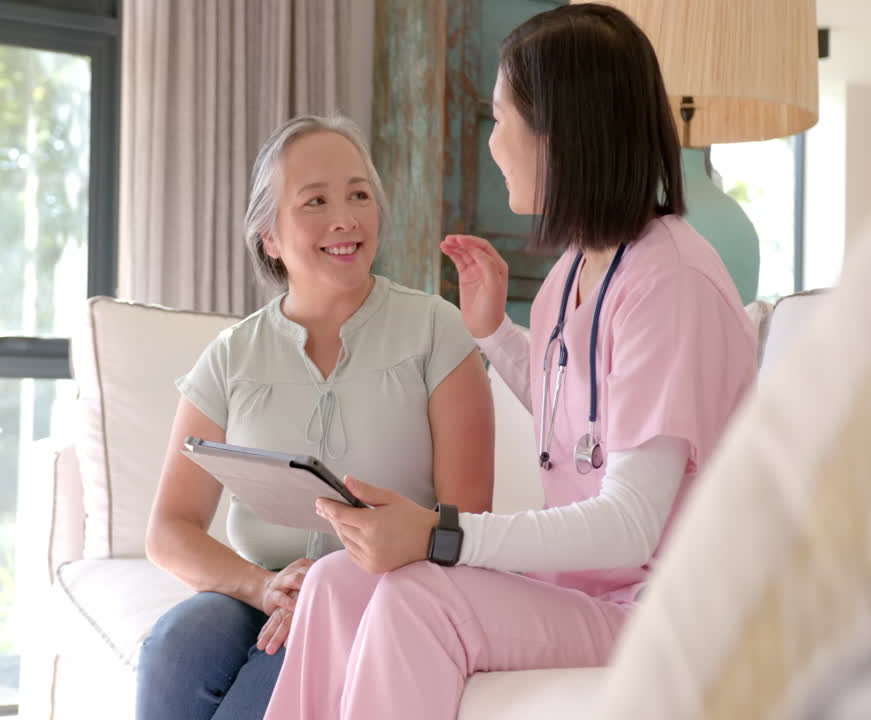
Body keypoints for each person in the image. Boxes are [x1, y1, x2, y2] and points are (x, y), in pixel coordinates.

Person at [264, 6, 758, 719]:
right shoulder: (572, 275)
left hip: (664, 607)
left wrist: (440, 533)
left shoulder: (672, 283)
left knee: (418, 595)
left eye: (502, 120)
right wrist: (494, 331)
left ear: (560, 134)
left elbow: (630, 523)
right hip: (583, 589)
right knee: (340, 581)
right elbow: (581, 418)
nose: (494, 144)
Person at [136, 115, 495, 720]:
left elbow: (466, 525)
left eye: (359, 194)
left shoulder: (437, 332)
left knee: (269, 681)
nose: (345, 218)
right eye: (316, 201)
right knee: (178, 647)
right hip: (266, 589)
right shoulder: (232, 355)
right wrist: (262, 586)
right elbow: (169, 530)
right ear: (269, 236)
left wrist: (335, 587)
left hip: (386, 592)